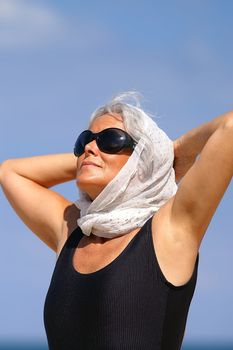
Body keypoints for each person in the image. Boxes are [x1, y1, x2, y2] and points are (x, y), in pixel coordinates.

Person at [0, 92, 233, 350]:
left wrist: (168, 152)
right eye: (84, 141)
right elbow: (10, 172)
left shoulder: (169, 231)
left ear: (144, 158)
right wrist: (89, 161)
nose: (90, 147)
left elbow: (229, 127)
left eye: (109, 140)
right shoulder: (73, 231)